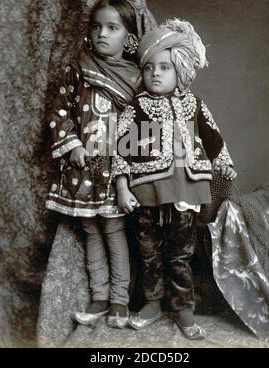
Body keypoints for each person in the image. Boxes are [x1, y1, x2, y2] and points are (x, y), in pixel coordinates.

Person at [112, 18, 237, 340]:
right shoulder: (136, 107)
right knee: (148, 251)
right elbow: (119, 149)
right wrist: (122, 187)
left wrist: (223, 164)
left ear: (180, 70)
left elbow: (212, 138)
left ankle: (183, 309)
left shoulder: (194, 104)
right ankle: (152, 303)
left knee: (180, 251)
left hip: (187, 186)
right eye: (150, 67)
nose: (155, 73)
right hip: (145, 190)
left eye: (164, 67)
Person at [46, 0, 142, 329]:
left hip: (114, 167)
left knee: (114, 230)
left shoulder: (137, 79)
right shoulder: (77, 70)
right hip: (83, 164)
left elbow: (141, 128)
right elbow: (60, 112)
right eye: (97, 26)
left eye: (112, 28)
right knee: (91, 230)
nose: (102, 33)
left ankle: (119, 300)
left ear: (129, 38)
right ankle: (98, 297)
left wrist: (126, 169)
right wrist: (71, 143)